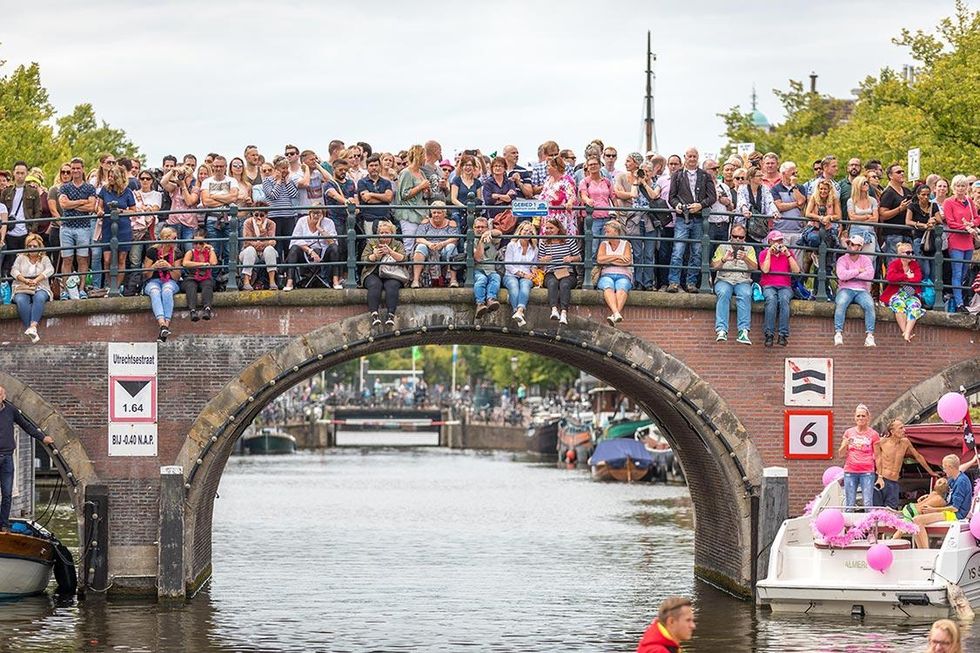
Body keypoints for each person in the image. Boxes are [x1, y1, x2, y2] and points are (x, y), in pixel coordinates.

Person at [0, 385, 54, 533]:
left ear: (3, 396)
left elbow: (26, 425)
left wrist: (43, 438)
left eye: (0, 394)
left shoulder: (10, 410)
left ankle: (3, 525)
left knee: (7, 493)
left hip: (7, 458)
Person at [666, 147, 716, 293]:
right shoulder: (677, 175)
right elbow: (671, 197)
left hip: (699, 218)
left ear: (698, 157)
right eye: (690, 156)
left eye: (695, 156)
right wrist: (678, 205)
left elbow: (712, 197)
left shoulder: (705, 175)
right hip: (683, 217)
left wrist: (700, 205)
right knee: (678, 250)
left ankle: (691, 283)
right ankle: (674, 282)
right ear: (685, 157)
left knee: (697, 251)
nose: (692, 159)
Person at [58, 157, 99, 298]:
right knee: (67, 259)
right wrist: (82, 202)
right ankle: (65, 290)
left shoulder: (89, 187)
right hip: (66, 227)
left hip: (83, 227)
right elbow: (63, 204)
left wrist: (72, 204)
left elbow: (91, 207)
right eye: (73, 168)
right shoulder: (64, 187)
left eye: (77, 168)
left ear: (82, 169)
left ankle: (81, 289)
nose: (75, 171)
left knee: (83, 259)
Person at [913, 454, 973, 549]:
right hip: (950, 511)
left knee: (918, 520)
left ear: (950, 467)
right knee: (916, 520)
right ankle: (921, 549)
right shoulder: (953, 478)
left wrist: (933, 510)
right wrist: (927, 496)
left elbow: (954, 508)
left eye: (944, 468)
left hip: (956, 515)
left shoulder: (961, 482)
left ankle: (925, 551)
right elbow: (940, 492)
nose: (943, 470)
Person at [874, 420, 937, 509]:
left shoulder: (905, 442)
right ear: (892, 431)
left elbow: (918, 457)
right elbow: (877, 459)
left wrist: (931, 472)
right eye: (900, 428)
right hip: (882, 479)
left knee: (892, 509)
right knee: (877, 509)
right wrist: (879, 477)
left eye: (904, 427)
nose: (904, 430)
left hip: (894, 481)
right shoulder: (882, 442)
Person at [711, 224, 757, 344]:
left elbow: (755, 268)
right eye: (734, 236)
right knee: (723, 293)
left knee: (746, 294)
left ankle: (743, 331)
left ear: (744, 237)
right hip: (724, 279)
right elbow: (714, 267)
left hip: (742, 281)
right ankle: (721, 330)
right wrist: (724, 259)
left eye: (740, 237)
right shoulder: (722, 247)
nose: (737, 239)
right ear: (730, 236)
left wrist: (746, 258)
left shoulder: (750, 248)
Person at [96, 163, 137, 290]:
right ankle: (109, 285)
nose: (110, 178)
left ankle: (117, 287)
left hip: (123, 227)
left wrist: (122, 211)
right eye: (109, 176)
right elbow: (99, 206)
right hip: (108, 226)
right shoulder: (105, 189)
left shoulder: (127, 192)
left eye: (112, 176)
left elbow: (134, 211)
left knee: (121, 258)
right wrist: (99, 211)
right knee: (107, 259)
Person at [0, 161, 43, 280]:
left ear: (26, 174)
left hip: (26, 231)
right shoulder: (6, 191)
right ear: (13, 173)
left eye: (22, 173)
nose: (20, 175)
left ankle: (26, 287)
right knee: (10, 263)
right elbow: (2, 210)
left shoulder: (33, 191)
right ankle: (9, 289)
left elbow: (38, 212)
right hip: (9, 232)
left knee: (27, 262)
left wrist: (33, 230)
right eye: (17, 173)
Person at [942, 175, 979, 312]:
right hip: (956, 240)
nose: (960, 188)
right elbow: (950, 222)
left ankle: (961, 298)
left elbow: (977, 217)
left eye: (963, 186)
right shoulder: (948, 202)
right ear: (953, 187)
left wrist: (972, 224)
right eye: (958, 186)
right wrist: (965, 227)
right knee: (957, 272)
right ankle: (959, 303)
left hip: (968, 241)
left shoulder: (969, 201)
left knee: (964, 272)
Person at [361, 221, 407, 328]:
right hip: (373, 271)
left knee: (392, 286)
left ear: (392, 233)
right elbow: (363, 259)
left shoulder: (397, 244)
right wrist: (374, 256)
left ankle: (391, 315)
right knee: (374, 285)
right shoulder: (372, 242)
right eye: (381, 233)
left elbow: (404, 259)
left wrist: (391, 252)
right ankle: (374, 314)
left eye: (386, 232)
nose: (384, 235)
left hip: (392, 273)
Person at [284, 205, 341, 291]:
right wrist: (310, 251)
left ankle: (335, 281)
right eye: (314, 212)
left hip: (323, 252)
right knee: (294, 249)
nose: (316, 215)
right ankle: (289, 282)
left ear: (323, 214)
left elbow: (333, 242)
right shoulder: (302, 221)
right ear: (309, 213)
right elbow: (294, 241)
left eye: (318, 213)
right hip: (306, 251)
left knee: (334, 248)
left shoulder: (329, 222)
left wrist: (319, 228)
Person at [834, 234, 877, 347]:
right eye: (848, 243)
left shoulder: (866, 259)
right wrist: (858, 271)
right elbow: (841, 275)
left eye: (853, 244)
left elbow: (870, 275)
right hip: (845, 288)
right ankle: (838, 332)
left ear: (860, 247)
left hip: (861, 290)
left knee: (869, 305)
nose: (849, 246)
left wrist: (851, 274)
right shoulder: (842, 259)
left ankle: (870, 335)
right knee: (841, 303)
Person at [10, 233, 54, 343]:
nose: (32, 248)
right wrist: (25, 280)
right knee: (20, 299)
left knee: (39, 298)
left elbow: (50, 270)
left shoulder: (45, 259)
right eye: (29, 246)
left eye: (34, 246)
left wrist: (36, 280)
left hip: (40, 286)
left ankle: (33, 327)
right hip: (22, 286)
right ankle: (31, 329)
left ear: (39, 247)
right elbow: (13, 271)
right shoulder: (20, 258)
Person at [759, 230, 800, 347]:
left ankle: (783, 334)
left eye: (781, 240)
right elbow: (765, 270)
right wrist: (769, 254)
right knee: (771, 299)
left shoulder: (789, 253)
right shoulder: (763, 253)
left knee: (784, 300)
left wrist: (788, 255)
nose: (779, 243)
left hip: (785, 286)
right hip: (769, 284)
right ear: (770, 241)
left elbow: (796, 271)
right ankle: (769, 334)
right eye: (777, 241)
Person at [538, 218, 581, 325]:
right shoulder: (544, 242)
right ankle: (554, 310)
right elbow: (539, 262)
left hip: (567, 272)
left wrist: (571, 259)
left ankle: (564, 312)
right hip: (551, 272)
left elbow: (579, 257)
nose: (548, 230)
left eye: (551, 228)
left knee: (565, 284)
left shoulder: (568, 240)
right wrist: (543, 260)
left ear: (558, 229)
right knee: (552, 283)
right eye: (547, 228)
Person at [143, 226, 183, 342]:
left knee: (167, 290)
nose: (176, 241)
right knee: (155, 291)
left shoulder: (177, 253)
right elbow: (146, 274)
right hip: (153, 280)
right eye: (174, 238)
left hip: (170, 281)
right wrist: (154, 267)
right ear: (166, 239)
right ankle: (163, 325)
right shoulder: (152, 251)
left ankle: (165, 324)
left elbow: (176, 277)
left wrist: (169, 267)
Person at [838, 404, 881, 509]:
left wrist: (880, 475)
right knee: (850, 502)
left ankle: (868, 525)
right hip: (850, 471)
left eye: (863, 416)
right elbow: (841, 454)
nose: (860, 418)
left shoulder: (873, 434)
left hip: (867, 472)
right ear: (855, 417)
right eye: (858, 416)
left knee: (867, 502)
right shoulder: (849, 432)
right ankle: (849, 525)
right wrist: (845, 444)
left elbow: (878, 456)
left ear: (868, 417)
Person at [882, 241, 925, 341]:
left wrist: (901, 279)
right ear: (901, 254)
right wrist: (906, 276)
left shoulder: (914, 264)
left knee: (914, 306)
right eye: (908, 253)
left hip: (910, 291)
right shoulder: (894, 264)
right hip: (896, 291)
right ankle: (905, 332)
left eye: (912, 252)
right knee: (899, 304)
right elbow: (891, 277)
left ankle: (907, 332)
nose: (911, 255)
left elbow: (917, 278)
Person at [412, 202, 459, 288]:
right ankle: (415, 280)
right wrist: (429, 244)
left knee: (452, 247)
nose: (436, 215)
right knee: (420, 247)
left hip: (444, 248)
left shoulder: (451, 223)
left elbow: (455, 238)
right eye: (434, 213)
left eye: (439, 212)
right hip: (429, 248)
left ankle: (453, 280)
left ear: (444, 213)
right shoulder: (426, 222)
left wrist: (442, 244)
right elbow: (418, 238)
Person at [595, 220, 633, 325]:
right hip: (606, 274)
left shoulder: (626, 244)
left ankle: (614, 315)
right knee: (608, 285)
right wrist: (618, 257)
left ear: (616, 232)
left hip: (623, 274)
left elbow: (627, 261)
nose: (605, 234)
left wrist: (608, 259)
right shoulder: (604, 244)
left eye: (608, 231)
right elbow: (600, 260)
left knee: (623, 285)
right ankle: (616, 313)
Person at [502, 221, 538, 327]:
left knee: (525, 286)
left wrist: (534, 271)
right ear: (520, 231)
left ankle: (519, 311)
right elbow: (508, 265)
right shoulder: (511, 245)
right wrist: (522, 274)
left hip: (527, 274)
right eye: (525, 230)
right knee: (514, 286)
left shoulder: (534, 248)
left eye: (530, 231)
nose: (527, 233)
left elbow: (534, 265)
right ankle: (517, 312)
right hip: (511, 274)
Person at [579, 155, 616, 256]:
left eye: (595, 164)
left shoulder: (607, 181)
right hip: (592, 219)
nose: (593, 166)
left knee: (605, 247)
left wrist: (618, 213)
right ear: (587, 167)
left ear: (600, 165)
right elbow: (583, 195)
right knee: (593, 248)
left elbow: (613, 197)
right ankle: (592, 271)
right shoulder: (585, 182)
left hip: (606, 218)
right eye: (590, 165)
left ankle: (602, 271)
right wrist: (588, 200)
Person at [394, 146, 428, 253]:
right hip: (408, 213)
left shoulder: (421, 173)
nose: (425, 159)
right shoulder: (406, 173)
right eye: (424, 156)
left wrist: (427, 190)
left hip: (421, 212)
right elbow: (404, 194)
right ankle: (408, 268)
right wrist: (421, 187)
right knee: (409, 244)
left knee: (421, 244)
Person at [877, 163, 914, 261]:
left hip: (907, 232)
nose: (902, 173)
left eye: (903, 171)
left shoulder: (907, 191)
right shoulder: (888, 193)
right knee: (895, 262)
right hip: (893, 234)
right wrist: (899, 209)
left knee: (909, 263)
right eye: (898, 172)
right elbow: (882, 215)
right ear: (890, 176)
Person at [239, 203, 279, 291]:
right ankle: (246, 282)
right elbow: (247, 241)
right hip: (250, 251)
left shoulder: (271, 224)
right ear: (253, 214)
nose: (258, 217)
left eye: (262, 215)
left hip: (264, 252)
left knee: (270, 250)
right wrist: (264, 242)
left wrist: (262, 231)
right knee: (250, 250)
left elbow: (272, 241)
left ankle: (272, 282)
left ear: (266, 215)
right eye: (256, 215)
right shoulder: (248, 222)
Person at [180, 228, 216, 321]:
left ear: (205, 243)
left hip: (206, 277)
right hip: (192, 277)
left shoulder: (209, 251)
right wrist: (202, 264)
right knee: (191, 286)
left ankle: (207, 309)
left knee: (208, 285)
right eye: (195, 243)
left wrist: (211, 249)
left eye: (201, 243)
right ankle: (192, 311)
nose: (198, 245)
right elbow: (185, 263)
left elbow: (213, 262)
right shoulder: (190, 252)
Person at [906, 183, 940, 281]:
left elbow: (940, 220)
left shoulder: (933, 205)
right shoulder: (913, 206)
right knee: (925, 269)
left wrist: (933, 220)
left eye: (928, 195)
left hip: (932, 240)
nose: (926, 197)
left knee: (934, 270)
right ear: (918, 195)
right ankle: (922, 290)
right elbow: (908, 221)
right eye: (923, 194)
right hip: (919, 239)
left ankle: (932, 293)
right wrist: (923, 225)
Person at [357, 153, 395, 238]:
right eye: (371, 165)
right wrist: (383, 197)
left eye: (376, 165)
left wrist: (371, 194)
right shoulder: (362, 182)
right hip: (368, 219)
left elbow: (389, 198)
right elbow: (367, 199)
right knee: (371, 244)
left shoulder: (386, 182)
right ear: (367, 167)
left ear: (380, 166)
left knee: (386, 244)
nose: (374, 168)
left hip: (385, 219)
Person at [539, 156, 578, 236]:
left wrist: (569, 203)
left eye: (549, 165)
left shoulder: (567, 180)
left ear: (555, 167)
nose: (547, 167)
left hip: (561, 216)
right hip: (547, 214)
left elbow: (572, 195)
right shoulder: (548, 179)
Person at [471, 217, 501, 318]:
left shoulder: (492, 238)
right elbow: (478, 258)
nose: (480, 229)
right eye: (477, 227)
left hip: (491, 269)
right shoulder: (470, 241)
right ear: (474, 228)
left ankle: (491, 300)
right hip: (478, 269)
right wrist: (481, 242)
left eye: (482, 227)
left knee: (496, 278)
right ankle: (480, 304)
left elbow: (499, 233)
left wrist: (489, 232)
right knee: (482, 280)